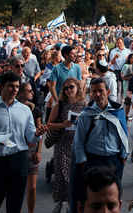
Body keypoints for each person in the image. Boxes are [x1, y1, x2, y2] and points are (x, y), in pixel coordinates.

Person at [0, 72, 48, 212]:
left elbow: (31, 136)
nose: (15, 90)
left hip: (19, 160)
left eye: (17, 87)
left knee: (15, 206)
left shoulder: (24, 110)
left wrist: (37, 134)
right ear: (1, 86)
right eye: (11, 86)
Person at [72, 77, 128, 212]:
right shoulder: (86, 114)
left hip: (113, 161)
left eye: (101, 91)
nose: (98, 95)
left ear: (108, 91)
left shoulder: (118, 111)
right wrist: (83, 162)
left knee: (111, 197)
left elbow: (123, 136)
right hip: (93, 160)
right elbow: (78, 142)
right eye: (94, 91)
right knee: (94, 199)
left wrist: (123, 158)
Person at [47, 77, 87, 213]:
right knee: (63, 176)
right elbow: (49, 125)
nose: (69, 90)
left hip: (78, 145)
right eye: (66, 88)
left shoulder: (84, 105)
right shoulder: (60, 105)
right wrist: (62, 125)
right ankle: (61, 201)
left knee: (75, 177)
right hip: (63, 145)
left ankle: (71, 206)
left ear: (77, 88)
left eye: (71, 87)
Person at [16, 82, 43, 213]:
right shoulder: (14, 109)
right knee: (18, 187)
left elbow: (40, 132)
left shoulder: (34, 109)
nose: (32, 92)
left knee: (32, 187)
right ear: (21, 93)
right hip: (18, 149)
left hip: (32, 150)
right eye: (29, 90)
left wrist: (39, 151)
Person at [48, 45, 82, 114]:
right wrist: (57, 101)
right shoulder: (56, 68)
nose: (75, 55)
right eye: (72, 54)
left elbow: (79, 85)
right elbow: (52, 87)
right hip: (61, 101)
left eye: (76, 53)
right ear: (66, 55)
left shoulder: (77, 68)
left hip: (74, 102)